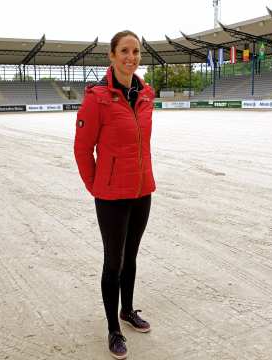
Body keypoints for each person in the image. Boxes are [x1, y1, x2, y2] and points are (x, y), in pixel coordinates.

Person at [73, 30, 156, 359]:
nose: (131, 56)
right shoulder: (98, 98)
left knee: (131, 258)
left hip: (142, 191)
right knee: (114, 262)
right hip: (111, 195)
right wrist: (96, 185)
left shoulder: (146, 95)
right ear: (112, 55)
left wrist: (143, 179)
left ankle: (128, 310)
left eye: (136, 51)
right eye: (124, 50)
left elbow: (142, 145)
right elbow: (82, 149)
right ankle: (113, 328)